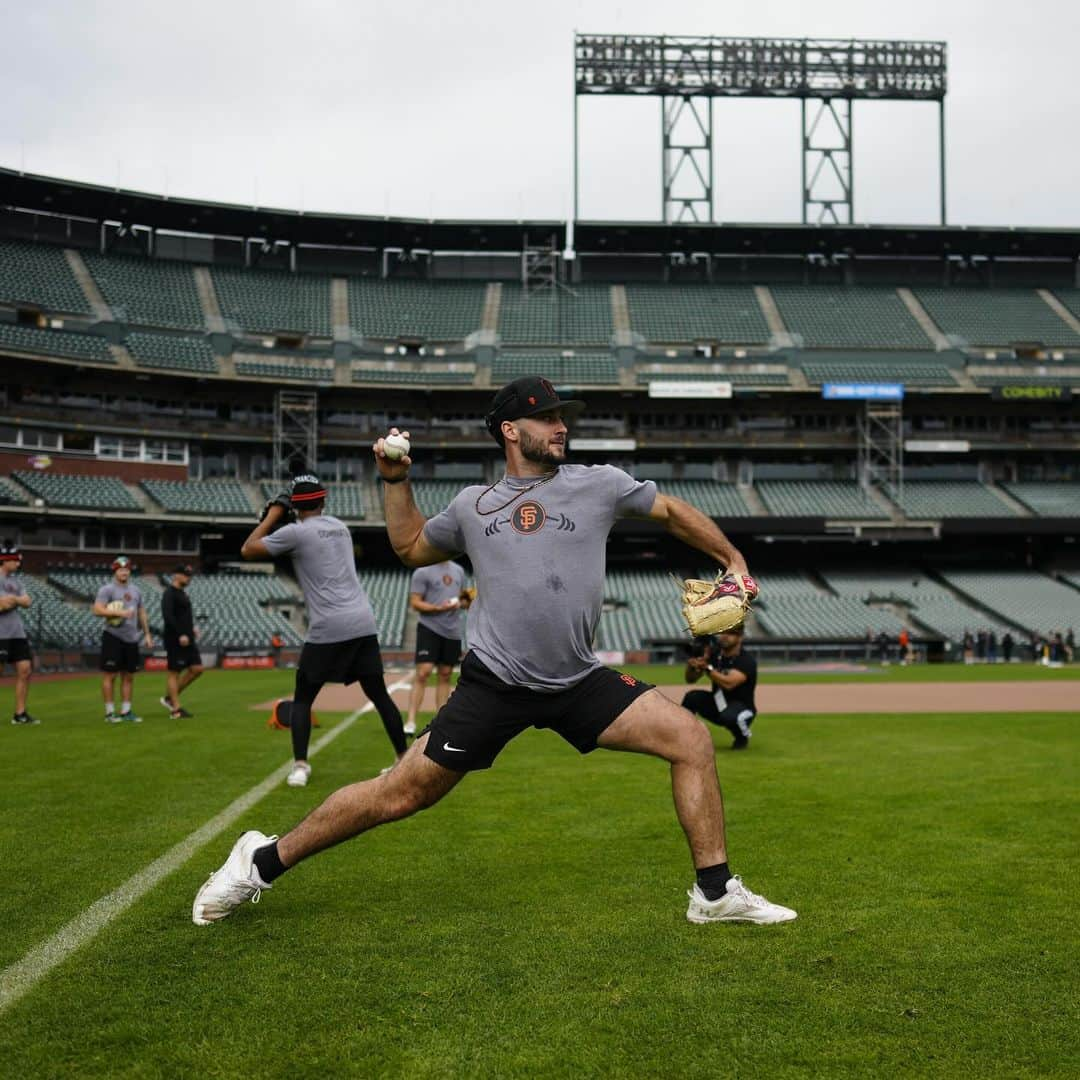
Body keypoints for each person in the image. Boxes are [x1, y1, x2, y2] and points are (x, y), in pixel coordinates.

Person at [193, 375, 795, 927]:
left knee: (690, 740)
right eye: (547, 418)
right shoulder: (473, 506)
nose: (562, 427)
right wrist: (396, 480)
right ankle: (261, 859)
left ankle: (714, 895)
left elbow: (669, 512)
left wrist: (732, 560)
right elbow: (408, 546)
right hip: (496, 684)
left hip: (578, 680)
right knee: (405, 792)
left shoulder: (600, 484)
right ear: (511, 431)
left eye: (563, 418)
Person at [241, 472, 408, 787]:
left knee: (303, 699)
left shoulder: (295, 532)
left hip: (328, 626)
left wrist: (273, 515)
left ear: (295, 507)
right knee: (380, 695)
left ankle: (301, 766)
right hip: (362, 621)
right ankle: (403, 759)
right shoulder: (340, 528)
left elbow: (249, 549)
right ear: (323, 500)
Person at [403, 560, 471, 736]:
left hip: (452, 631)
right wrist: (437, 608)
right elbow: (415, 602)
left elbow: (464, 599)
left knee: (445, 674)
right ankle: (410, 721)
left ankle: (440, 723)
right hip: (429, 628)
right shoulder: (422, 571)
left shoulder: (459, 570)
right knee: (423, 673)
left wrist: (462, 603)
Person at [93, 555, 152, 723]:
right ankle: (110, 713)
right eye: (121, 569)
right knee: (110, 676)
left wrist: (147, 633)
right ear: (115, 571)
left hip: (131, 638)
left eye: (126, 569)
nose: (124, 572)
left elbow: (141, 612)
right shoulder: (107, 590)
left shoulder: (136, 590)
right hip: (113, 636)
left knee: (128, 676)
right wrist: (119, 613)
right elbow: (97, 610)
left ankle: (126, 712)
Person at [681, 625, 757, 750]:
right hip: (718, 704)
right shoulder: (714, 655)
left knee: (729, 716)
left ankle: (741, 737)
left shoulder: (746, 660)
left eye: (731, 633)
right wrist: (692, 665)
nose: (725, 636)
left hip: (742, 709)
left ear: (740, 637)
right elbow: (691, 679)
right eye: (723, 632)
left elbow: (729, 684)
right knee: (691, 697)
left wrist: (707, 668)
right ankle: (684, 736)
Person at [159, 562, 203, 719]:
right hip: (175, 639)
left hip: (188, 638)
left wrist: (191, 630)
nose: (188, 578)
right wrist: (180, 634)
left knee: (197, 669)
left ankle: (169, 698)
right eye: (185, 575)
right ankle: (175, 710)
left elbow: (183, 617)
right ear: (176, 575)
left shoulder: (183, 593)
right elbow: (168, 616)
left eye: (189, 575)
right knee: (174, 672)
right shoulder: (169, 593)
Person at [0, 545, 37, 725]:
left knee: (25, 670)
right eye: (14, 560)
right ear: (5, 560)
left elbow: (27, 601)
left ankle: (20, 713)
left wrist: (12, 599)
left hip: (17, 632)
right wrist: (16, 600)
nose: (17, 563)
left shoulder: (16, 581)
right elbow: (2, 606)